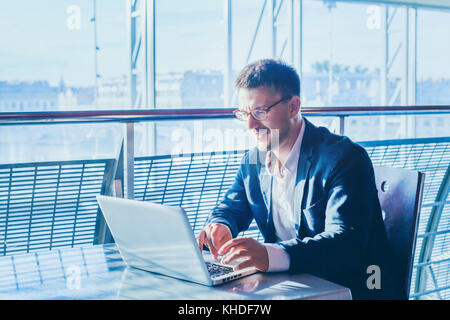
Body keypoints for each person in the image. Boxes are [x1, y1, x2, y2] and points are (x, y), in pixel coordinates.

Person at [197, 59, 401, 299]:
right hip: (292, 287)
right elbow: (230, 208)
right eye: (244, 114)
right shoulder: (253, 161)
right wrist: (221, 225)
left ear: (293, 107)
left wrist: (270, 255)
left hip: (350, 287)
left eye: (260, 112)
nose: (251, 125)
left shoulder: (344, 158)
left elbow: (346, 242)